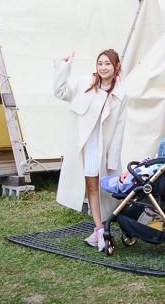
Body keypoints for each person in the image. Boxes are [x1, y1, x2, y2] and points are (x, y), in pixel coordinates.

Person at [53, 48, 127, 251]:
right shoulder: (85, 82)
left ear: (116, 67)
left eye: (108, 64)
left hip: (101, 147)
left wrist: (113, 160)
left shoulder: (120, 95)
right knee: (91, 187)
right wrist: (63, 67)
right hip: (83, 145)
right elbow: (60, 92)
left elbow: (119, 130)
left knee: (102, 189)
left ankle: (103, 228)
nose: (103, 67)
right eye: (100, 63)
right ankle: (99, 228)